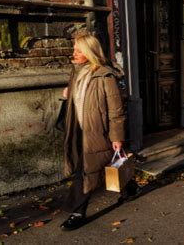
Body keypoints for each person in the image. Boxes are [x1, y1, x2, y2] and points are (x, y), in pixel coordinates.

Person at [60, 32, 127, 231]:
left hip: (99, 133)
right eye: (74, 49)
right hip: (78, 130)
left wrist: (117, 137)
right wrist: (67, 94)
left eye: (79, 50)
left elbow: (116, 110)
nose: (75, 53)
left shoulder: (105, 75)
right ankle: (130, 187)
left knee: (85, 172)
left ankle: (78, 212)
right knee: (109, 165)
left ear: (90, 52)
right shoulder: (77, 72)